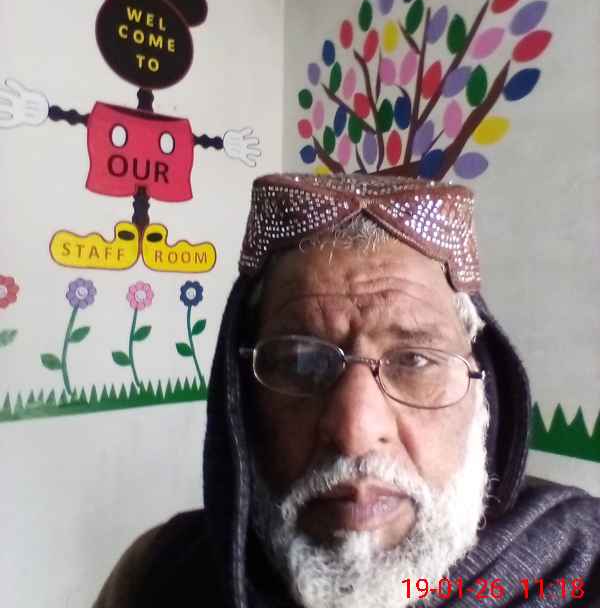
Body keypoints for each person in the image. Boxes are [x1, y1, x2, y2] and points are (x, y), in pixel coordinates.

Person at [93, 173, 600, 607]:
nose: (355, 430)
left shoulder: (584, 566)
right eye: (298, 361)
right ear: (240, 397)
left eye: (415, 360)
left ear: (484, 393)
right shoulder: (157, 576)